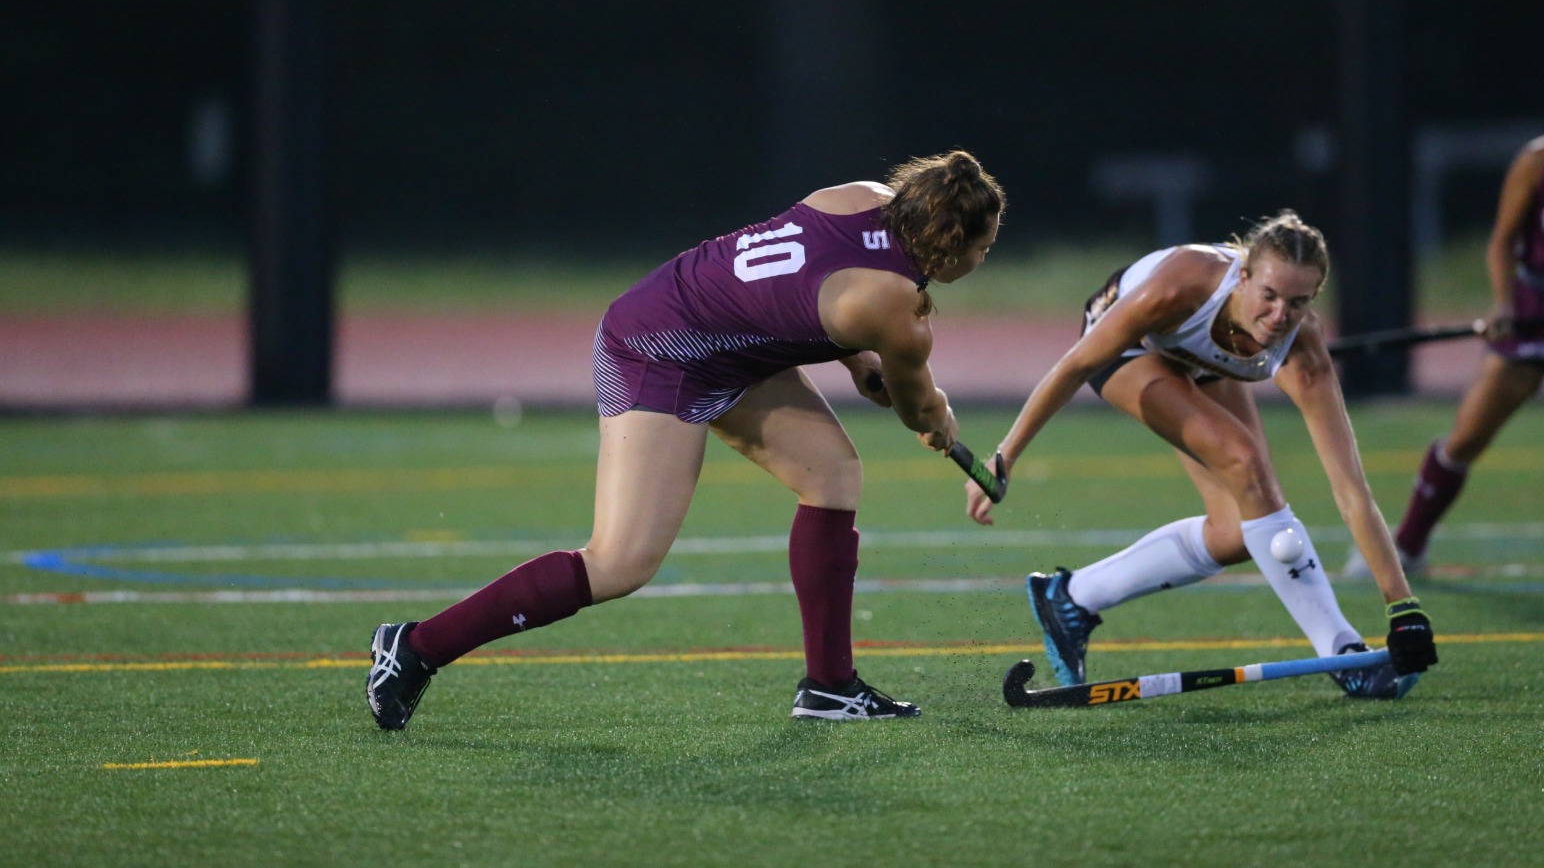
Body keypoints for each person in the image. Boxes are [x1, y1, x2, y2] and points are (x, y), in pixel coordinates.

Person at [365, 150, 1006, 729]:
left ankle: (831, 688)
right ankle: (415, 648)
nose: (985, 260)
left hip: (720, 340)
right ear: (950, 247)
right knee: (619, 562)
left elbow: (808, 282)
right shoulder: (894, 305)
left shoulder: (861, 196)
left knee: (832, 476)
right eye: (985, 247)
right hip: (660, 348)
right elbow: (916, 406)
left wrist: (855, 355)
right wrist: (935, 416)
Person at [963, 211, 1438, 698]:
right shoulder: (1178, 288)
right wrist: (1004, 458)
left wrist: (1403, 607)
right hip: (1126, 348)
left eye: (1296, 304)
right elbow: (1075, 364)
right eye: (1269, 296)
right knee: (1244, 461)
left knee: (1237, 533)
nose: (1278, 317)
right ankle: (1344, 653)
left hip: (1197, 358)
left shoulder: (1303, 355)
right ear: (1244, 276)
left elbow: (1350, 488)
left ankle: (1071, 598)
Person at [1345, 41, 1544, 589]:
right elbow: (1503, 242)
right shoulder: (1539, 161)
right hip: (1534, 311)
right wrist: (1504, 302)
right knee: (1466, 439)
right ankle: (1408, 545)